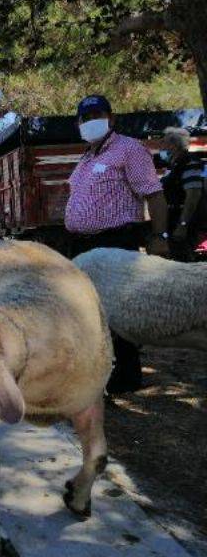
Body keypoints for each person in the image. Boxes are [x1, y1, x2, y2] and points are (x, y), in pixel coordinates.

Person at [65, 94, 169, 394]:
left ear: (111, 118)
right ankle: (99, 371)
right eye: (84, 118)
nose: (90, 122)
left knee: (116, 309)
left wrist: (159, 237)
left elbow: (154, 193)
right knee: (89, 310)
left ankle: (126, 375)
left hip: (115, 239)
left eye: (96, 115)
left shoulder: (129, 149)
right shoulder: (87, 157)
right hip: (83, 244)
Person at [160, 127, 205, 262]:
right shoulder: (173, 165)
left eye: (164, 142)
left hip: (184, 221)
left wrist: (183, 225)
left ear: (174, 145)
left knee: (183, 260)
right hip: (172, 219)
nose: (161, 146)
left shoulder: (189, 163)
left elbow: (193, 196)